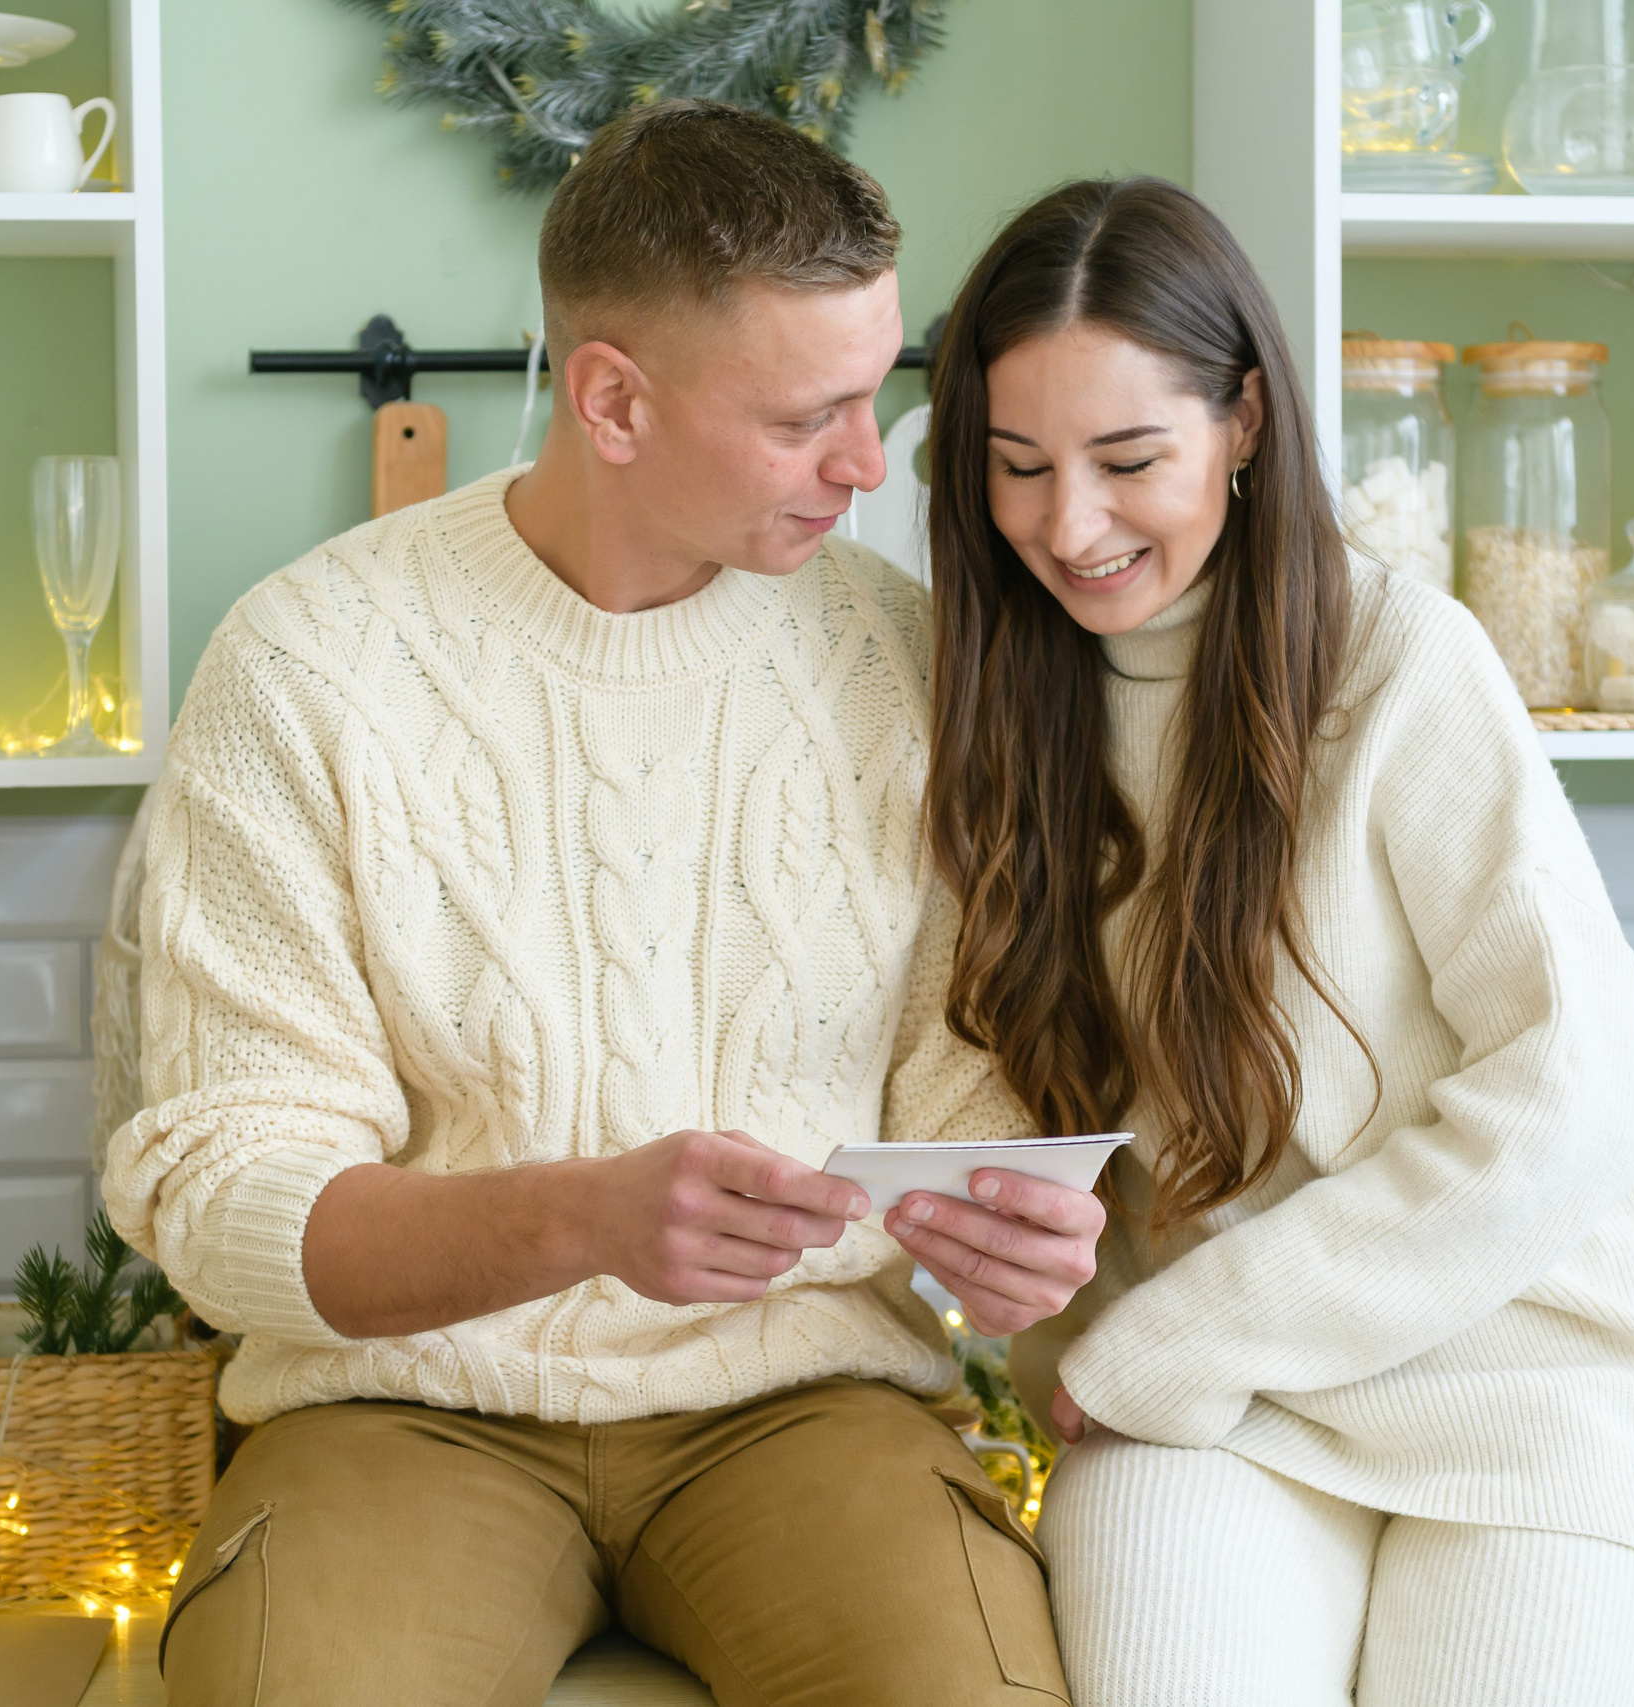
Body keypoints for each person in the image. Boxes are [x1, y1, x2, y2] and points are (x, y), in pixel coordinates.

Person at [105, 102, 1102, 1707]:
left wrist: (1006, 1242)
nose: (870, 462)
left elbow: (966, 1095)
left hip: (809, 1408)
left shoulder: (914, 660)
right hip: (402, 1412)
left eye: (879, 393)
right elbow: (229, 1204)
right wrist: (586, 1219)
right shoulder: (308, 666)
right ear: (613, 401)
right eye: (809, 419)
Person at [920, 176, 1634, 1707]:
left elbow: (1565, 1093)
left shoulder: (1401, 661)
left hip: (1545, 1386)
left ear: (1243, 423)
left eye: (1128, 460)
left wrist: (1168, 1341)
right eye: (1018, 466)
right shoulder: (1002, 702)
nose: (1069, 524)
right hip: (1219, 1415)